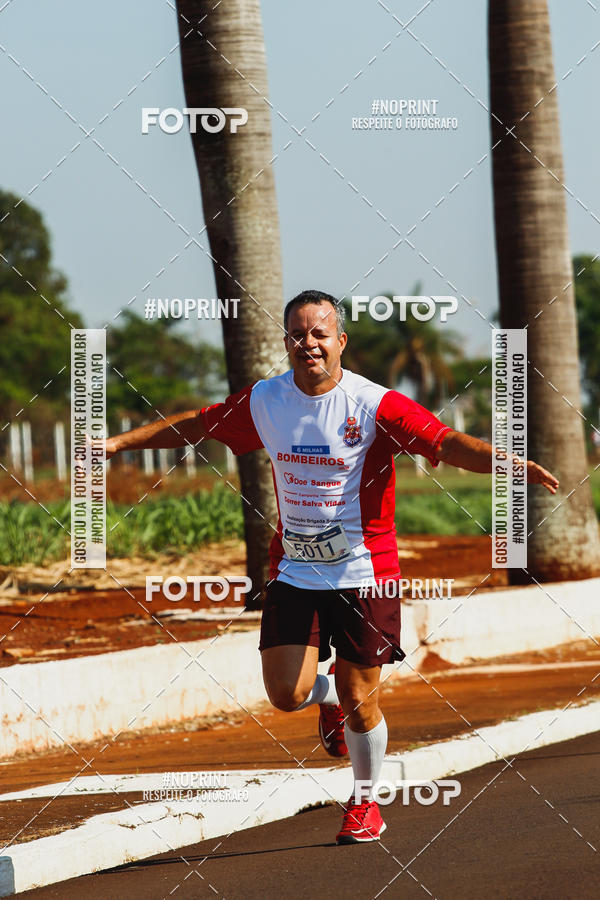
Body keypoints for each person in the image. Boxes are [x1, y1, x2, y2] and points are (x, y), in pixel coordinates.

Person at [104, 289, 559, 844]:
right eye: (298, 334)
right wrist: (116, 444)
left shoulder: (375, 404)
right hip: (295, 570)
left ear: (340, 341)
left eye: (320, 333)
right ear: (286, 342)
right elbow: (196, 425)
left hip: (365, 573)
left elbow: (445, 442)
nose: (308, 344)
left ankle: (365, 802)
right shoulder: (266, 401)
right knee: (286, 694)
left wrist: (508, 464)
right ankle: (328, 705)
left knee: (361, 699)